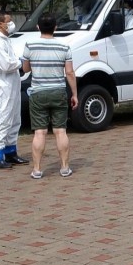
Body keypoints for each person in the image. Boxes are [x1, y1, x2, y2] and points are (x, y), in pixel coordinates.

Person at [21, 12, 79, 179]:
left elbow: (25, 69)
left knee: (40, 132)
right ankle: (65, 168)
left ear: (38, 27)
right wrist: (74, 94)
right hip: (59, 92)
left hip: (38, 92)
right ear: (55, 27)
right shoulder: (64, 46)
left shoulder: (30, 45)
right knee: (60, 131)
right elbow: (69, 72)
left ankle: (37, 170)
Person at [0, 11, 29, 169]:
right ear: (0, 24)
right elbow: (5, 65)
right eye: (9, 21)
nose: (12, 24)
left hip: (13, 83)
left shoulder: (5, 40)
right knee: (3, 119)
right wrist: (20, 62)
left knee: (15, 118)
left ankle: (11, 152)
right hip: (4, 84)